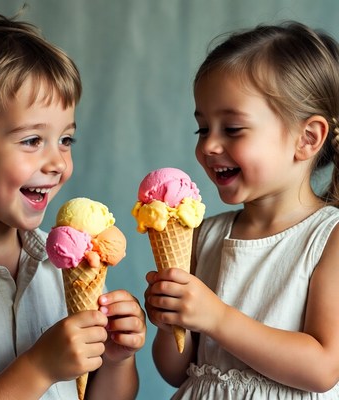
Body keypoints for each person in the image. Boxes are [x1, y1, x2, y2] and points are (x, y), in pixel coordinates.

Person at [0, 12, 146, 400]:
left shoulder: (63, 262)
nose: (58, 164)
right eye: (33, 140)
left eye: (65, 140)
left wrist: (117, 359)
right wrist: (39, 368)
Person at [144, 21, 339, 399]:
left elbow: (322, 369)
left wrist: (215, 317)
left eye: (232, 128)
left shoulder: (327, 238)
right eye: (202, 129)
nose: (209, 146)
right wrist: (171, 324)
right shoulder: (205, 234)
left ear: (307, 138)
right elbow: (174, 372)